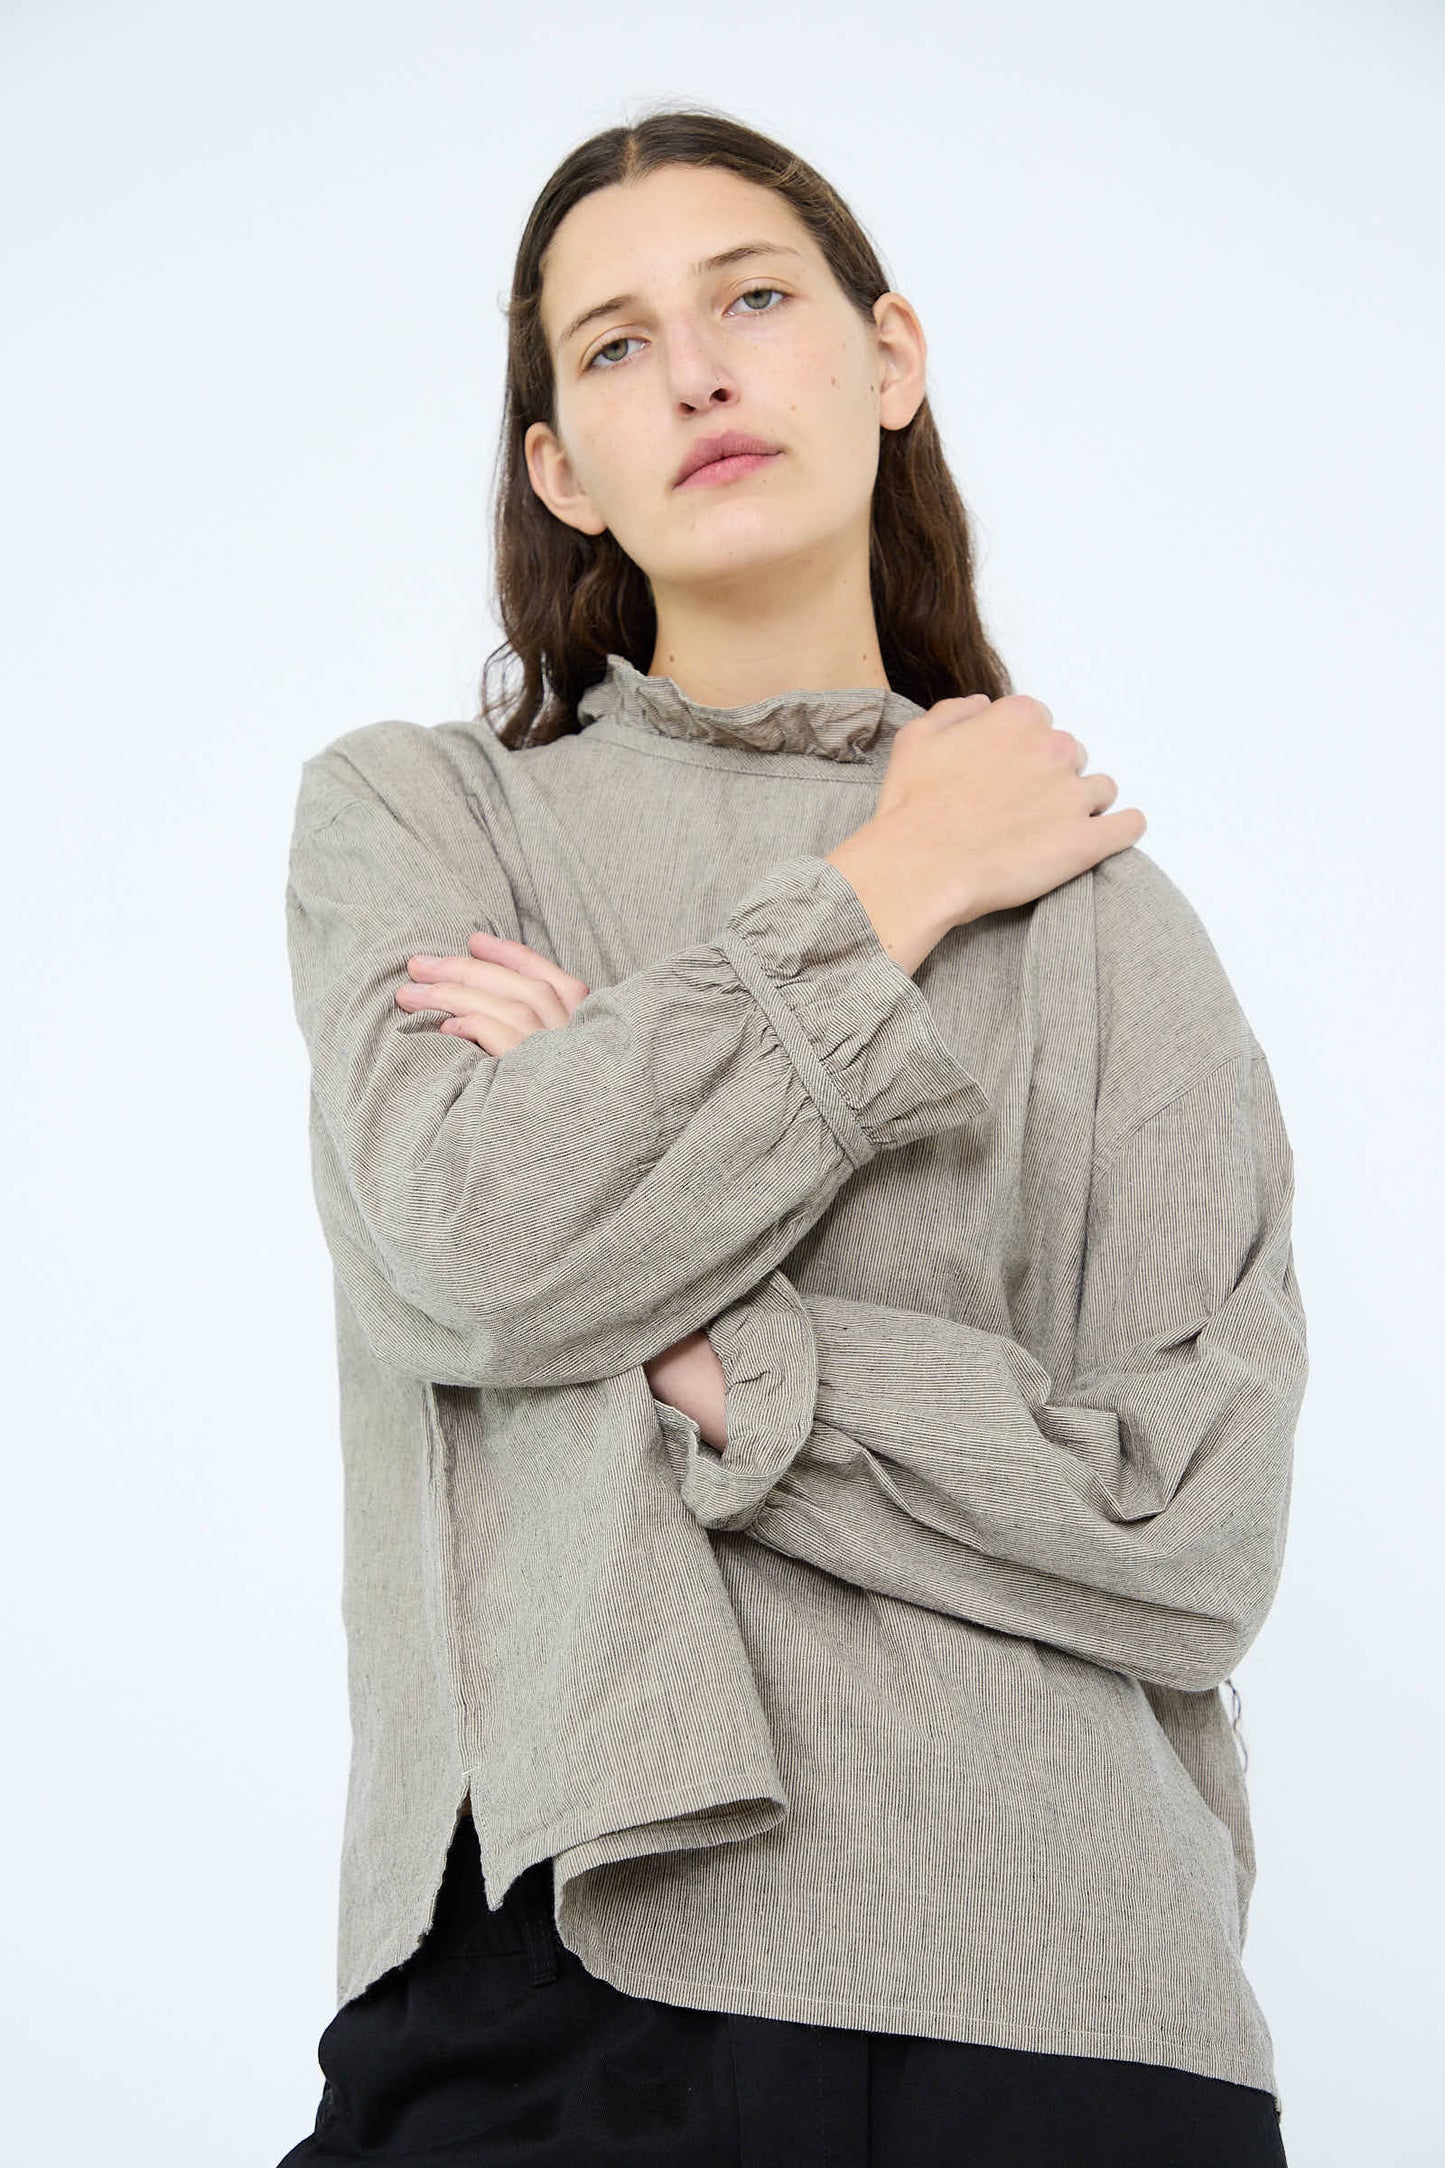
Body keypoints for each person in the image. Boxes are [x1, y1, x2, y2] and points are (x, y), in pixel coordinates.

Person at [276, 104, 1305, 2167]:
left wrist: (715, 1346)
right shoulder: (424, 817)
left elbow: (1194, 1523)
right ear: (561, 463)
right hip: (558, 1958)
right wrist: (890, 888)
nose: (703, 368)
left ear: (888, 358)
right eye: (617, 343)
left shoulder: (1102, 912)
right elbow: (476, 1234)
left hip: (1063, 1993)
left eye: (752, 297)